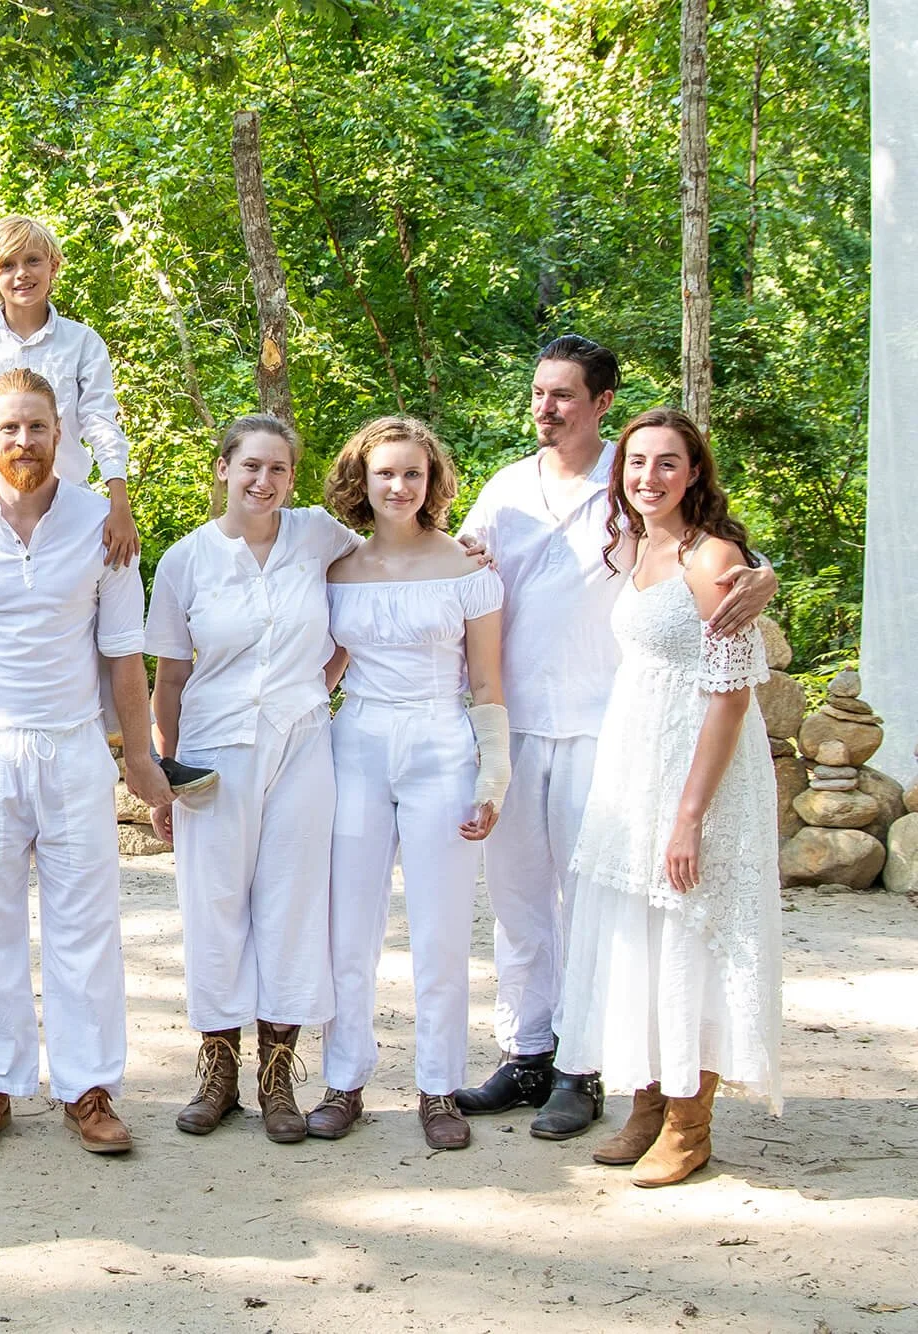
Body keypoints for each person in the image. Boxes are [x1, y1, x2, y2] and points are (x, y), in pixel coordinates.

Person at [452, 337, 776, 1140]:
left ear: (602, 404)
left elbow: (709, 551)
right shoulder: (507, 489)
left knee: (593, 904)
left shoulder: (632, 480)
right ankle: (527, 1053)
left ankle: (583, 1068)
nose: (546, 407)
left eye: (564, 395)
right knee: (521, 900)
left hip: (612, 724)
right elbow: (448, 557)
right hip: (520, 720)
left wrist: (765, 571)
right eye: (538, 393)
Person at [0, 367, 173, 1156]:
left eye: (38, 427)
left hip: (74, 744)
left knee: (86, 921)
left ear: (63, 433)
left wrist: (141, 764)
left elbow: (123, 657)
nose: (24, 441)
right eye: (8, 428)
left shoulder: (104, 526)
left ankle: (88, 1086)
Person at [555, 407, 779, 1187]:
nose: (648, 477)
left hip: (700, 769)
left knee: (691, 928)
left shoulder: (710, 555)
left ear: (695, 475)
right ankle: (647, 1102)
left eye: (667, 463)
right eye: (637, 461)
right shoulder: (633, 544)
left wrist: (689, 816)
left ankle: (691, 1122)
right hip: (636, 761)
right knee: (642, 933)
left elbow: (730, 697)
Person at [144, 415, 357, 1142]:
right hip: (213, 751)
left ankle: (277, 1078)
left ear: (292, 478)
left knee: (293, 903)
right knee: (215, 905)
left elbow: (390, 569)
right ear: (223, 470)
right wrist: (163, 774)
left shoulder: (319, 536)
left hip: (301, 745)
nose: (263, 482)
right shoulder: (186, 560)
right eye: (250, 468)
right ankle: (218, 1072)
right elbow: (170, 676)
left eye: (278, 470)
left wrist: (322, 683)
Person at [314, 417, 511, 1152]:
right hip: (356, 741)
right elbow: (324, 671)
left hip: (440, 742)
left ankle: (438, 1086)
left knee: (440, 925)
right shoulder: (337, 570)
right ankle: (343, 1080)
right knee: (348, 923)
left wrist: (495, 774)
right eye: (385, 473)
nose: (399, 486)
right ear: (360, 482)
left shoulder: (468, 571)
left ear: (433, 484)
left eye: (413, 475)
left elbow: (488, 680)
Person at [0, 215, 139, 567]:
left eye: (33, 260)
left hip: (71, 507)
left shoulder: (82, 343)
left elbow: (101, 422)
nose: (22, 274)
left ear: (53, 265)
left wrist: (118, 505)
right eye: (8, 265)